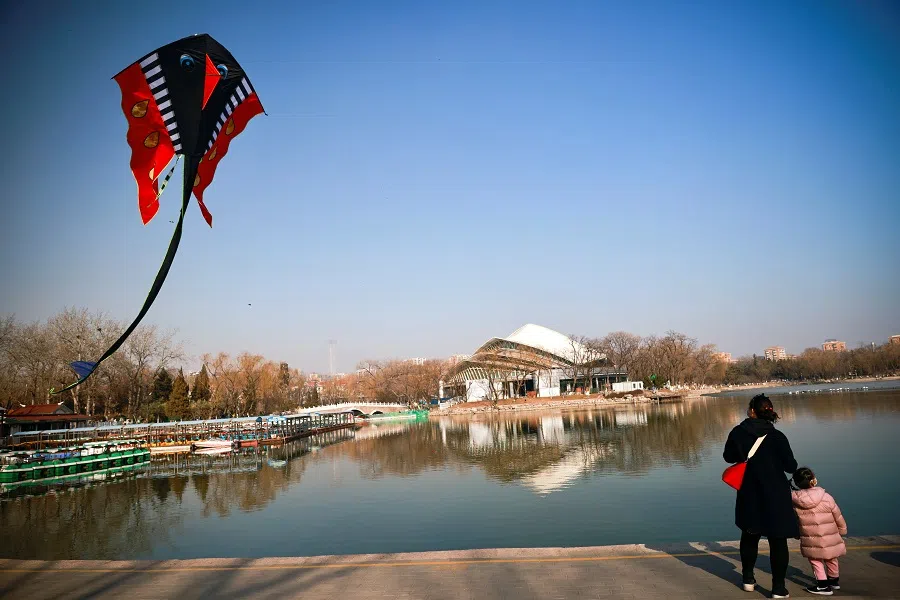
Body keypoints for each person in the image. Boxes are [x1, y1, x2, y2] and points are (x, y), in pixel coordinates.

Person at [723, 394, 799, 598]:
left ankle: (748, 579)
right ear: (770, 413)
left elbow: (728, 457)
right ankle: (778, 588)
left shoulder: (738, 432)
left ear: (752, 411)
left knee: (749, 535)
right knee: (778, 541)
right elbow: (790, 466)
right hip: (776, 494)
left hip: (749, 492)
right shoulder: (778, 437)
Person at [791, 467, 847, 596]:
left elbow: (794, 520)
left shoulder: (794, 501)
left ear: (797, 483)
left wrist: (795, 534)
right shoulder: (826, 497)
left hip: (810, 537)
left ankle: (822, 585)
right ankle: (834, 581)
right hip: (830, 535)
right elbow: (837, 515)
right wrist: (842, 529)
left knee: (816, 560)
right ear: (813, 480)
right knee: (831, 557)